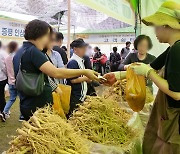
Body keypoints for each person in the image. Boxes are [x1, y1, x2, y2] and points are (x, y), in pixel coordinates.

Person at [103, 1, 180, 153]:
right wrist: (118, 76)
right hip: (169, 117)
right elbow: (149, 67)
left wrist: (149, 74)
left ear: (166, 25)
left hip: (175, 119)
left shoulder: (178, 49)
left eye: (156, 26)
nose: (155, 31)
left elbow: (176, 93)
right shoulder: (172, 48)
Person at [13, 20, 99, 121]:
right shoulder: (33, 52)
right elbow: (55, 72)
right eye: (48, 36)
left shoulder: (21, 51)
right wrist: (84, 72)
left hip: (27, 102)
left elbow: (41, 75)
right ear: (41, 35)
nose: (49, 40)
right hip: (37, 107)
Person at [67, 39, 91, 116]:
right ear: (75, 49)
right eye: (82, 48)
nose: (84, 50)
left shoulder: (80, 61)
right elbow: (73, 80)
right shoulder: (73, 62)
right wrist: (86, 78)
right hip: (75, 96)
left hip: (80, 96)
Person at [2, 42, 18, 120]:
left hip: (10, 82)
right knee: (23, 99)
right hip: (17, 81)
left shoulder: (7, 57)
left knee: (12, 98)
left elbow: (5, 69)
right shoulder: (16, 57)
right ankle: (22, 115)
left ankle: (4, 112)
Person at [0, 41, 8, 122]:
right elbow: (3, 67)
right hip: (1, 78)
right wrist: (7, 75)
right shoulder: (2, 53)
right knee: (1, 95)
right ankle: (3, 112)